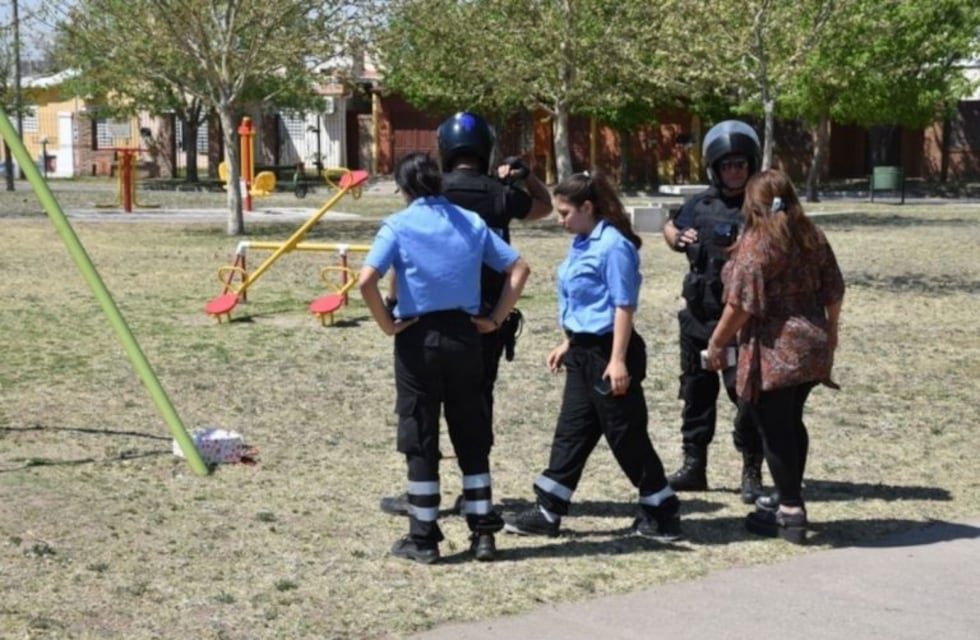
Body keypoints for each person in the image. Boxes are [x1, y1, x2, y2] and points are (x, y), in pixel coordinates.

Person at [358, 152, 531, 563]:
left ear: (403, 189)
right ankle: (483, 532)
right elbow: (519, 269)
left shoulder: (398, 225)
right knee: (472, 434)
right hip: (467, 336)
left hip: (418, 339)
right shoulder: (470, 222)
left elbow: (366, 280)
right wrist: (495, 318)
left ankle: (423, 538)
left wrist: (387, 324)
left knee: (420, 435)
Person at [379, 111, 552, 516]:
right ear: (485, 150)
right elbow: (544, 206)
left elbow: (397, 262)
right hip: (484, 321)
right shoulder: (498, 193)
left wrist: (392, 307)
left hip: (423, 319)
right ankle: (476, 495)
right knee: (475, 408)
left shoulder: (431, 197)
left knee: (422, 411)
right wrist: (525, 175)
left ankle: (421, 493)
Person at [503, 170, 681, 541]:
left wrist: (617, 360)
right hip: (584, 351)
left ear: (588, 207)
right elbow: (589, 303)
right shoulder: (582, 242)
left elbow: (622, 306)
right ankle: (548, 509)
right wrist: (570, 343)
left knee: (626, 436)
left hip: (608, 353)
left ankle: (661, 509)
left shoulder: (614, 246)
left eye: (566, 212)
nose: (560, 219)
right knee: (572, 432)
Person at [704, 169, 844, 544]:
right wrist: (831, 330)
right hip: (812, 345)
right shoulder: (811, 234)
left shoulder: (758, 242)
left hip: (776, 349)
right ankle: (786, 498)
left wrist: (718, 343)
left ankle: (791, 510)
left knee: (775, 428)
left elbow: (740, 305)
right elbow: (834, 288)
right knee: (791, 422)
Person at [661, 120, 767, 503]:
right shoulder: (700, 204)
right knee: (695, 394)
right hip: (697, 318)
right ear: (714, 168)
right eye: (727, 165)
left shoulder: (764, 206)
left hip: (740, 322)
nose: (734, 171)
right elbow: (670, 227)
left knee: (746, 398)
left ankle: (752, 470)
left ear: (751, 164)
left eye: (740, 163)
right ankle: (694, 466)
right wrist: (677, 237)